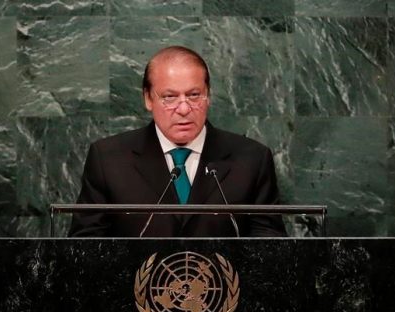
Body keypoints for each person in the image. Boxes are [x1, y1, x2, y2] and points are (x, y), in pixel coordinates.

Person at [68, 46, 286, 237]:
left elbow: (269, 247)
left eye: (193, 95)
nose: (183, 109)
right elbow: (85, 247)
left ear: (208, 95)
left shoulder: (251, 160)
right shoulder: (109, 160)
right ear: (148, 98)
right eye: (169, 97)